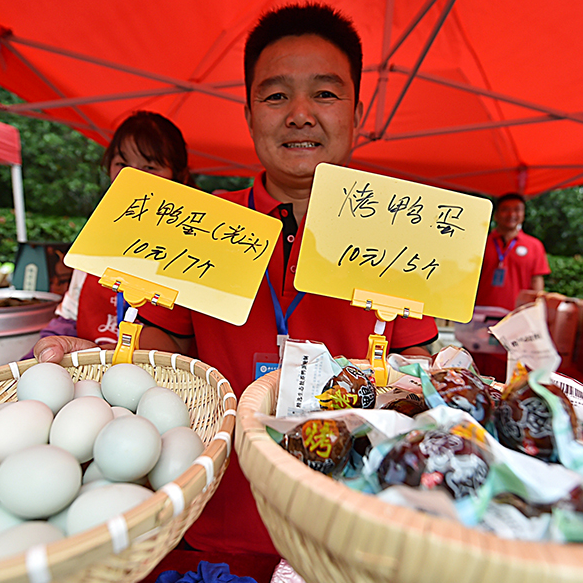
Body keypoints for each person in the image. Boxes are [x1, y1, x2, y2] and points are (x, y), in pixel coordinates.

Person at [34, 3, 438, 567]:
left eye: (325, 93)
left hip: (346, 537)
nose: (300, 114)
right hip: (207, 528)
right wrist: (106, 369)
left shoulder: (401, 231)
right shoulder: (199, 222)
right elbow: (164, 349)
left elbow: (417, 364)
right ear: (248, 113)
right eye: (276, 96)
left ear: (357, 111)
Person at [29, 111, 194, 359]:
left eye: (150, 167)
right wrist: (42, 354)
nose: (134, 176)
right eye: (122, 164)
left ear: (179, 176)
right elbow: (68, 319)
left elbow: (185, 345)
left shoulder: (191, 248)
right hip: (92, 374)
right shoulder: (95, 238)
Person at [475, 192, 551, 311]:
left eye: (517, 210)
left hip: (519, 313)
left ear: (523, 214)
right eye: (505, 209)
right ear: (496, 215)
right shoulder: (480, 242)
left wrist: (537, 308)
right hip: (480, 312)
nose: (511, 214)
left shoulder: (535, 245)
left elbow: (537, 280)